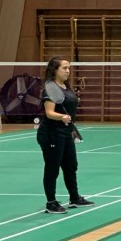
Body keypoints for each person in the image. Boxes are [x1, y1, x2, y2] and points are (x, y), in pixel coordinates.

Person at [37, 57, 93, 214]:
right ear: (55, 70)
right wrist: (62, 117)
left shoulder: (66, 87)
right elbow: (49, 113)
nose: (68, 71)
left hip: (66, 132)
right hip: (51, 134)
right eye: (64, 68)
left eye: (69, 68)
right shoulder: (50, 88)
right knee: (52, 168)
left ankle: (74, 198)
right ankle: (51, 203)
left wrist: (71, 128)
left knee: (71, 165)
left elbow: (69, 110)